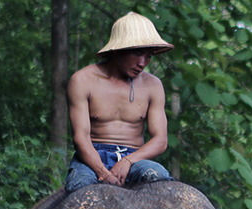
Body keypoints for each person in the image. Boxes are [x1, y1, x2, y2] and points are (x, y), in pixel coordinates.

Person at [66, 12, 174, 191]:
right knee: (80, 188)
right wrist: (103, 172)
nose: (143, 63)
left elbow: (160, 140)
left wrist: (128, 161)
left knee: (159, 179)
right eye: (137, 54)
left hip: (135, 157)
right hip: (91, 157)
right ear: (118, 50)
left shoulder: (153, 85)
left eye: (148, 56)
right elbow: (80, 137)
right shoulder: (83, 80)